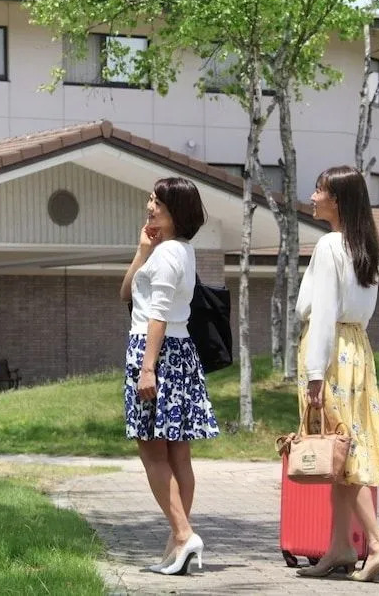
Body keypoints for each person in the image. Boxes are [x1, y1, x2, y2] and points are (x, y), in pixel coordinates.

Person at [294, 165, 379, 582]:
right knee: (342, 450)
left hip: (329, 353)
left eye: (319, 190)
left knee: (342, 452)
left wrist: (315, 374)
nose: (312, 197)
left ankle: (377, 545)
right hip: (356, 349)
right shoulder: (364, 246)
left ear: (337, 200)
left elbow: (323, 312)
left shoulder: (329, 245)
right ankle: (341, 546)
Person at [120, 176, 220, 576]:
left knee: (152, 452)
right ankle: (177, 543)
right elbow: (127, 295)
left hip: (154, 352)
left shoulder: (166, 255)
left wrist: (147, 369)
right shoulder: (180, 251)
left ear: (175, 211)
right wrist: (141, 252)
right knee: (179, 453)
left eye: (158, 202)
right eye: (150, 199)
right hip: (180, 353)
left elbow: (156, 315)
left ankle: (182, 534)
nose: (150, 206)